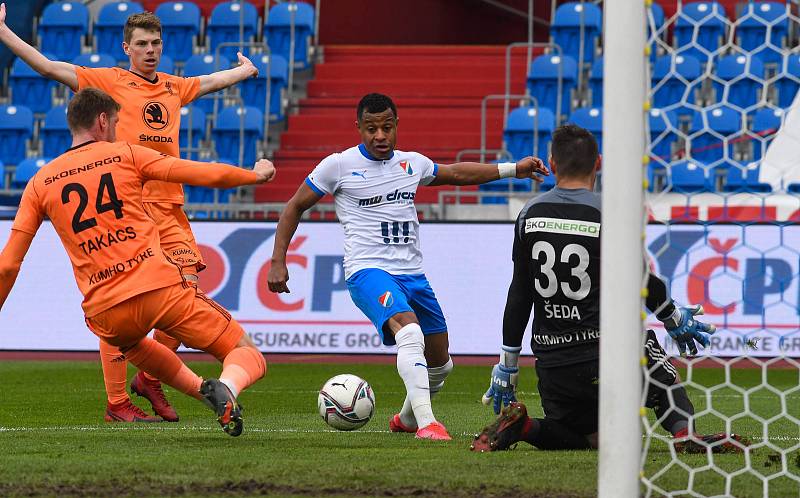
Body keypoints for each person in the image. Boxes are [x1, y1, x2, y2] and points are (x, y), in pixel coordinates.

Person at [0, 4, 259, 423]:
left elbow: (209, 81)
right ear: (127, 48)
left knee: (183, 288)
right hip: (132, 208)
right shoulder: (108, 82)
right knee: (123, 294)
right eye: (142, 44)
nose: (151, 50)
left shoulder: (173, 87)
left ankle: (150, 378)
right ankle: (119, 398)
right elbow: (48, 67)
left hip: (171, 205)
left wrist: (242, 72)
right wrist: (5, 33)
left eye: (156, 43)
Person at [267, 93, 550, 441]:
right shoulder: (338, 165)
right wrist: (278, 259)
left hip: (413, 275)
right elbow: (294, 207)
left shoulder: (411, 164)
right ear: (359, 128)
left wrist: (513, 169)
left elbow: (457, 173)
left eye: (386, 127)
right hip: (367, 271)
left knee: (440, 363)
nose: (380, 136)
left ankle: (406, 419)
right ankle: (429, 424)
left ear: (396, 125)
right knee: (410, 333)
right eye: (371, 129)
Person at [471, 124, 748, 454]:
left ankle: (526, 426)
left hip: (553, 361)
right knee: (660, 368)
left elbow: (520, 294)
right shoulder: (609, 213)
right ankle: (683, 433)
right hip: (607, 351)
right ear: (598, 163)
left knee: (590, 440)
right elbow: (640, 279)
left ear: (553, 164)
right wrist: (673, 318)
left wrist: (508, 364)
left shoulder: (529, 215)